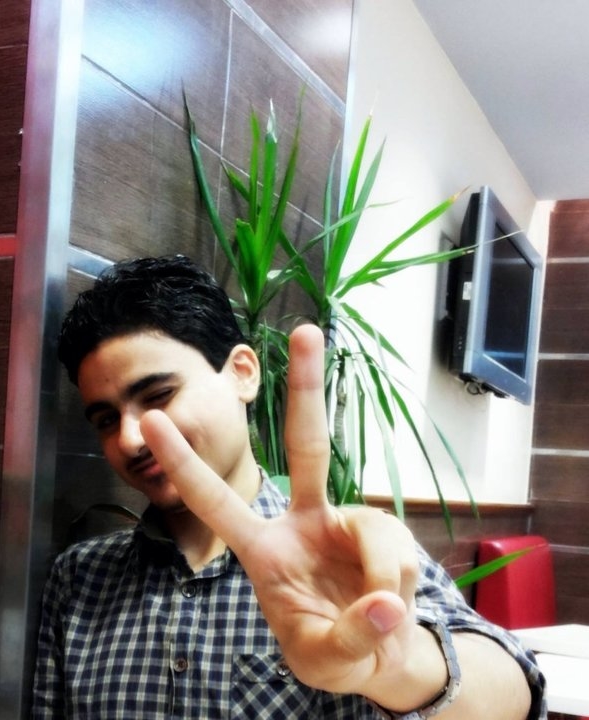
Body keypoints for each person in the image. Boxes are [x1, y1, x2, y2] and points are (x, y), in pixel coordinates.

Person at [33, 254, 546, 719]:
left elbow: (516, 695)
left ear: (242, 373)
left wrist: (402, 667)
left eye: (158, 395)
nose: (130, 438)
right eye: (106, 419)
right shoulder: (81, 579)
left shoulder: (343, 555)